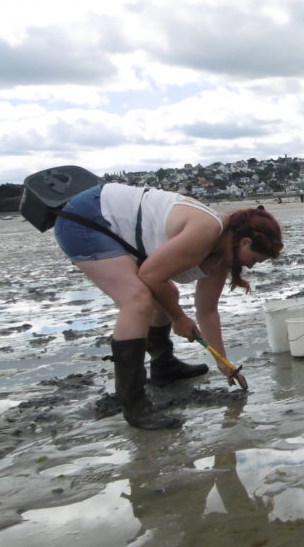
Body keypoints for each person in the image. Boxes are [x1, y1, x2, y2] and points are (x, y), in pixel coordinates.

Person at [52, 183, 283, 429]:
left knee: (166, 293)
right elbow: (150, 275)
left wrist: (223, 363)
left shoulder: (222, 256)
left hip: (107, 222)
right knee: (137, 300)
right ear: (245, 242)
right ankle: (134, 405)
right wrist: (179, 318)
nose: (250, 267)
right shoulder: (208, 229)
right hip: (86, 219)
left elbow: (208, 311)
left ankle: (164, 366)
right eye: (255, 259)